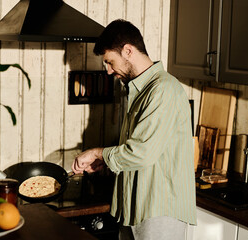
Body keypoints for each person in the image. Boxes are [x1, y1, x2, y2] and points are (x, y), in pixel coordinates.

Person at [71, 19, 197, 240]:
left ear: (128, 51)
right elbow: (138, 145)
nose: (109, 71)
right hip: (134, 206)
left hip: (159, 211)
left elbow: (141, 153)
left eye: (110, 62)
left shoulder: (163, 90)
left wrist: (98, 153)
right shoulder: (136, 89)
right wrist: (106, 160)